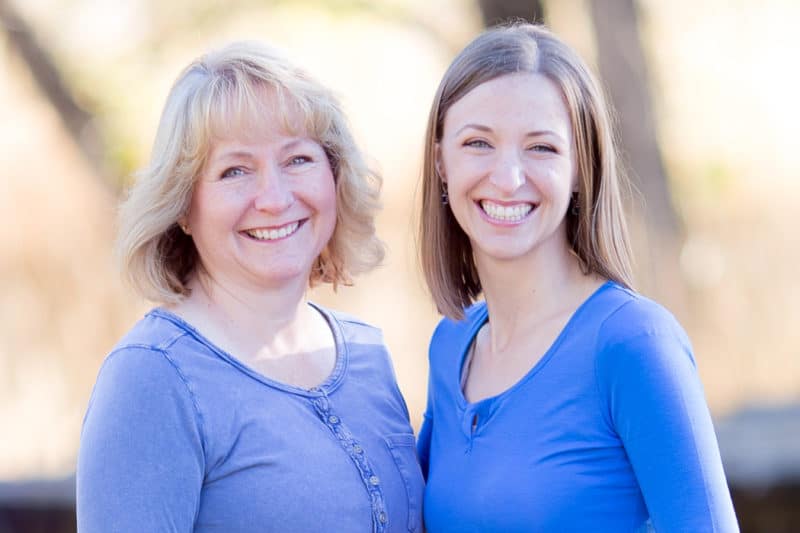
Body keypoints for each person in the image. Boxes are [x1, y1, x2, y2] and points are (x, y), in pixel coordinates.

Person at [77, 41, 423, 533]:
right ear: (183, 208)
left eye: (298, 159)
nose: (275, 198)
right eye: (234, 170)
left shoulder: (368, 353)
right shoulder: (155, 378)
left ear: (334, 176)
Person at [416, 23, 738, 532]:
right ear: (440, 162)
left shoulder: (633, 344)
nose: (508, 177)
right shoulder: (450, 344)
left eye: (541, 148)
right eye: (478, 143)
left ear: (580, 170)